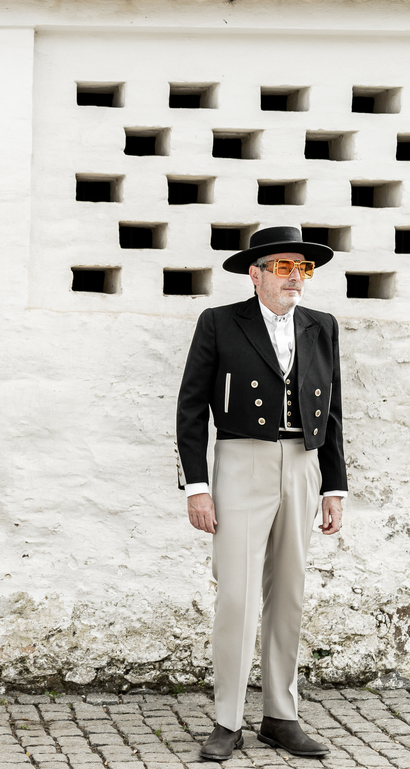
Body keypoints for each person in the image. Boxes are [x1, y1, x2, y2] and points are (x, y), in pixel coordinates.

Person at [176, 225, 346, 762]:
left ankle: (280, 716)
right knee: (238, 596)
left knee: (289, 591)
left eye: (303, 268)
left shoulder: (322, 325)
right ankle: (227, 720)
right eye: (284, 267)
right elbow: (191, 407)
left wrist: (334, 486)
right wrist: (197, 487)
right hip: (240, 460)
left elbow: (333, 411)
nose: (296, 277)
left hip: (303, 463)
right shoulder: (220, 322)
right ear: (256, 274)